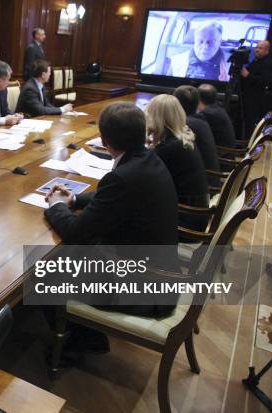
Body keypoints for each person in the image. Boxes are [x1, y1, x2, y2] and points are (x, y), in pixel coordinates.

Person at [43, 102, 179, 358]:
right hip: (158, 273)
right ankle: (84, 332)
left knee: (44, 273)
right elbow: (115, 196)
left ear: (105, 141)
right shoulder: (148, 158)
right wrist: (75, 200)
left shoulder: (123, 176)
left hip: (145, 290)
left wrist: (56, 206)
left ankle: (83, 341)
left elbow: (75, 232)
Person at [145, 94, 209, 233]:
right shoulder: (184, 137)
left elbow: (141, 179)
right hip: (195, 214)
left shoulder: (168, 148)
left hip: (183, 223)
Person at [173, 85, 221, 187]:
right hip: (211, 179)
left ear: (176, 105)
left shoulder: (186, 125)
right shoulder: (200, 120)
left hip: (205, 188)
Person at [241, 40, 272, 137]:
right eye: (256, 47)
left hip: (258, 102)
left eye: (260, 48)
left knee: (252, 126)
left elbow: (265, 81)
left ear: (267, 51)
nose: (257, 50)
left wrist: (247, 75)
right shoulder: (255, 62)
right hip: (249, 98)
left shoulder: (269, 63)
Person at [197, 83, 237, 149]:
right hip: (226, 152)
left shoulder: (207, 114)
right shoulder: (218, 107)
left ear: (198, 98)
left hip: (221, 155)